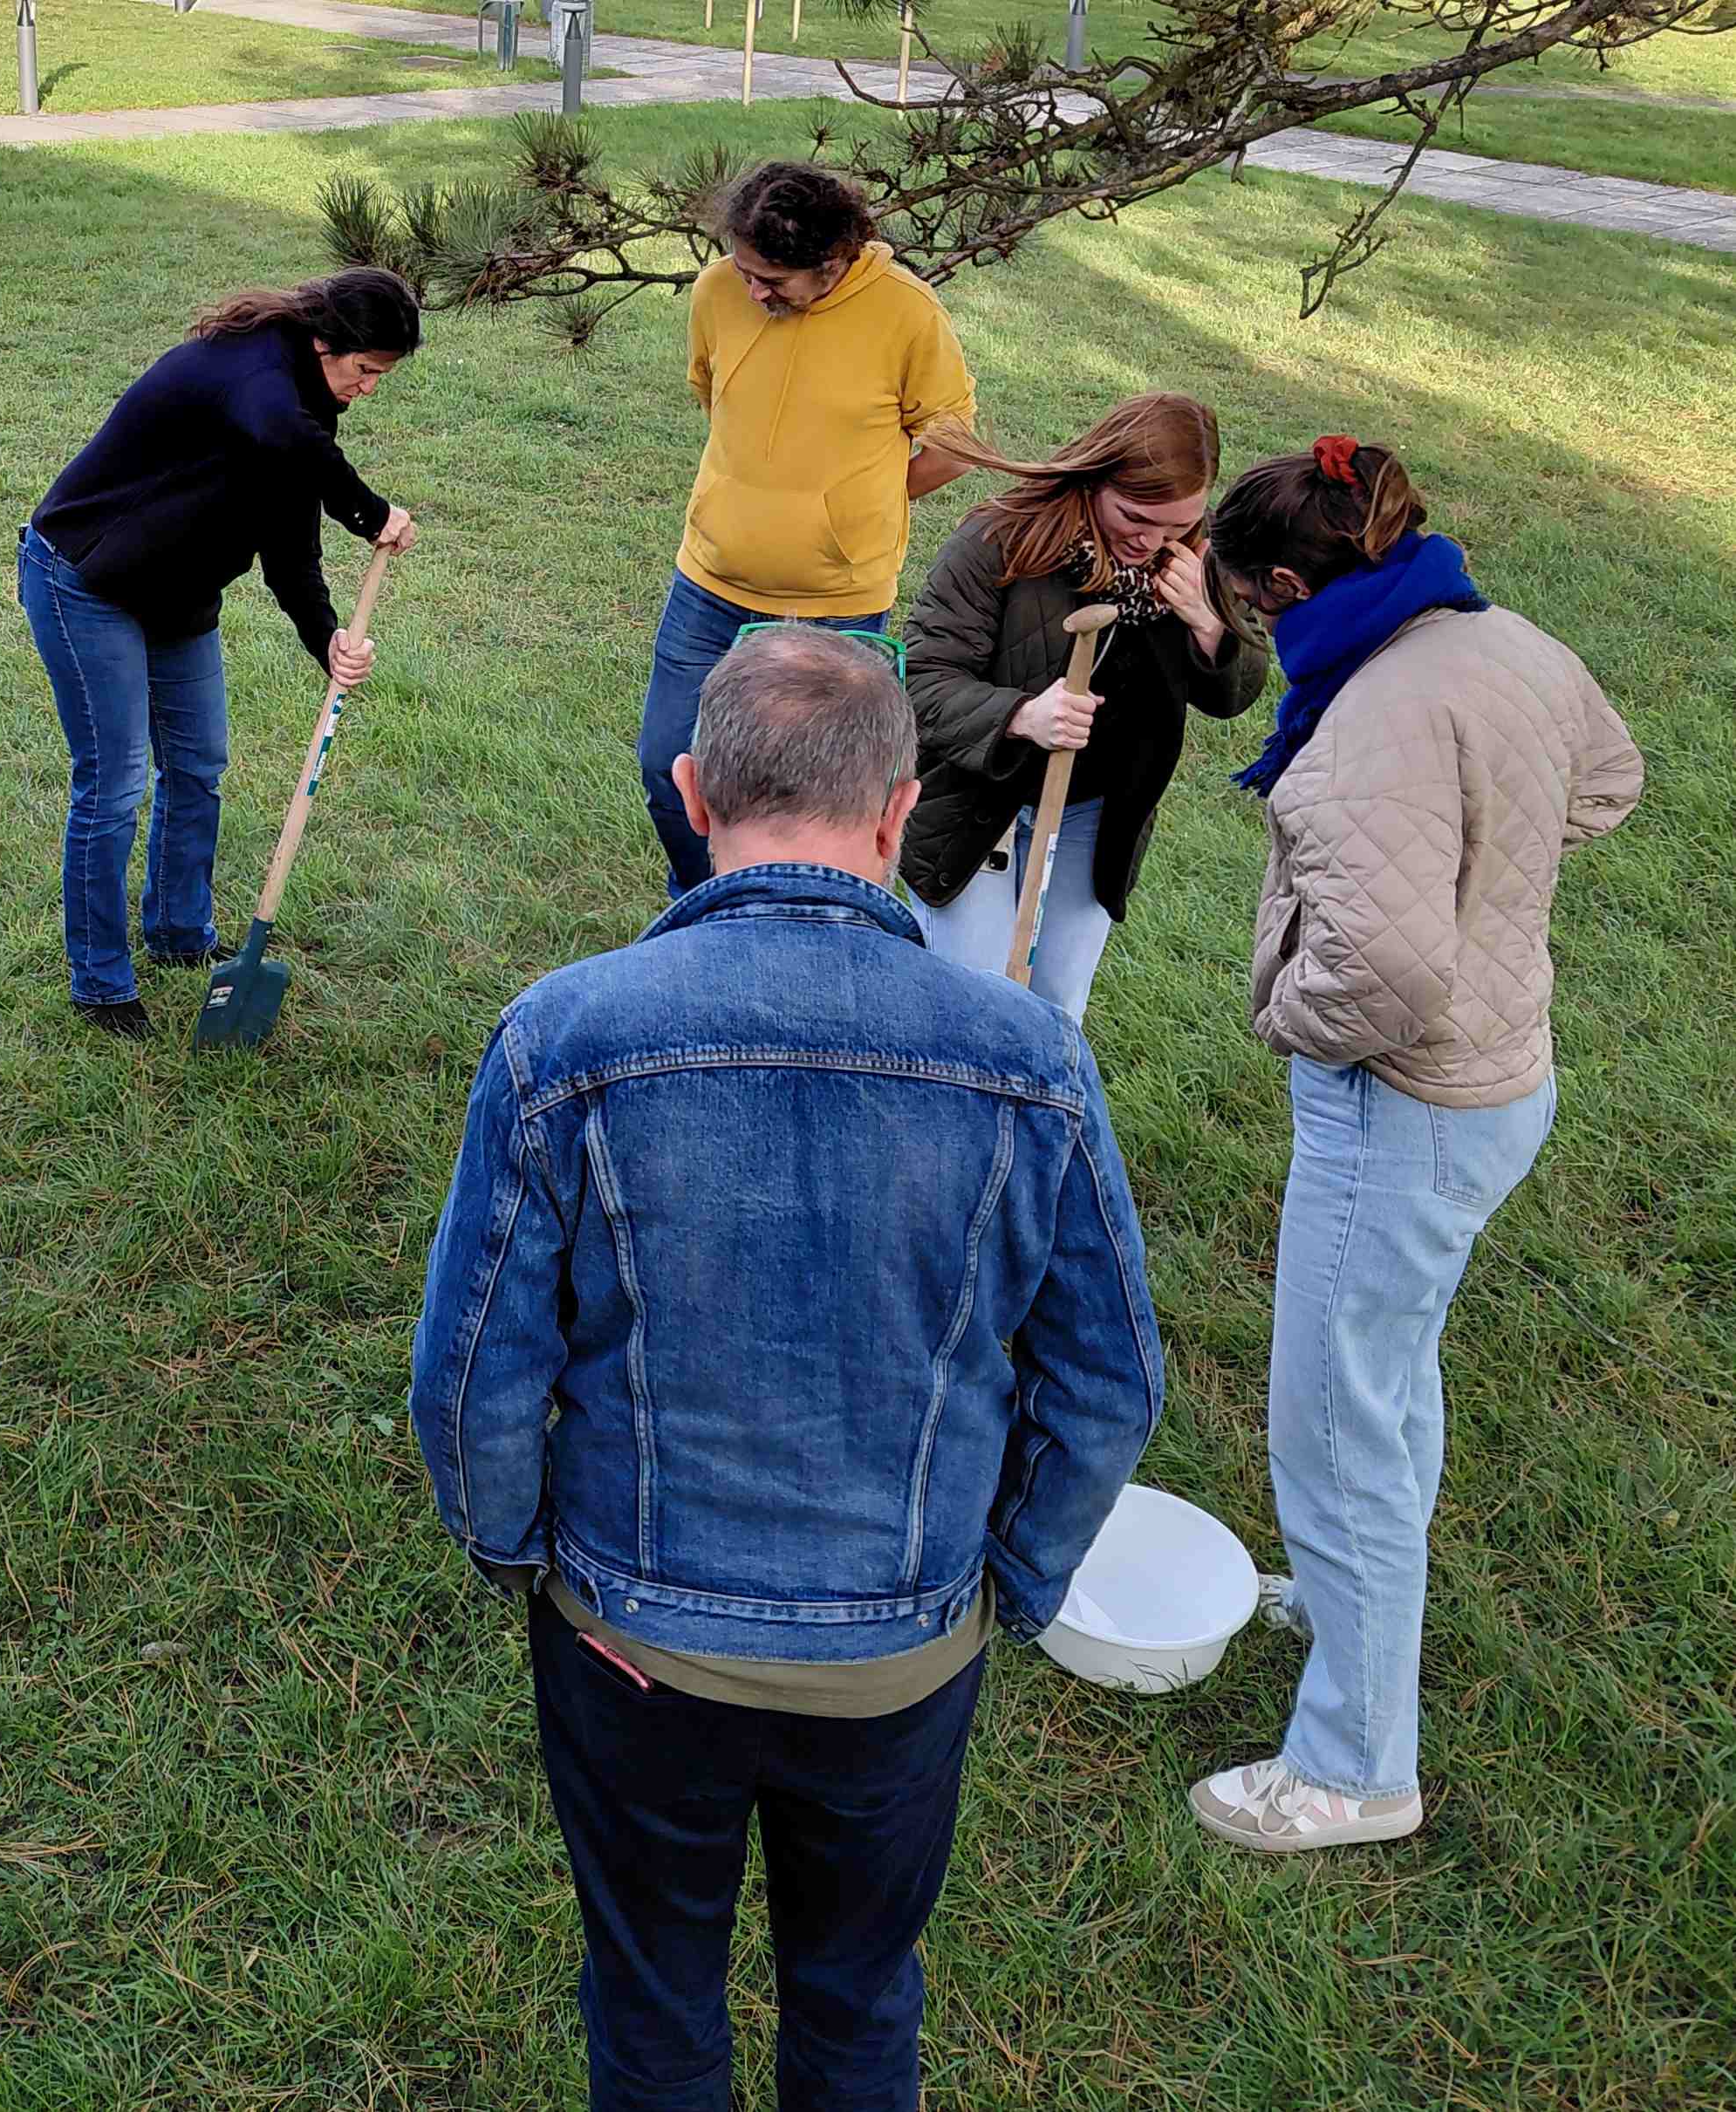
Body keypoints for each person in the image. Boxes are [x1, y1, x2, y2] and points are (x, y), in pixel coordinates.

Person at [408, 625, 1163, 2112]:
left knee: (651, 1991)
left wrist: (518, 1551)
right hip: (901, 1658)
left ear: (694, 793)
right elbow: (1105, 1387)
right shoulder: (1030, 1059)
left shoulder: (565, 1034)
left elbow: (472, 1372)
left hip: (631, 1638)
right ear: (897, 814)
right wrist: (1004, 1579)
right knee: (859, 1991)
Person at [1187, 438, 1642, 1853]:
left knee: (1333, 1421)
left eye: (1248, 609)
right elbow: (1608, 778)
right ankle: (1343, 1598)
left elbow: (1386, 979)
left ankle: (1352, 1770)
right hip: (1501, 1085)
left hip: (1406, 1104)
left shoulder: (1370, 721)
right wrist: (1489, 869)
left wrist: (1286, 1008)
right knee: (1386, 1375)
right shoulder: (1498, 636)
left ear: (1281, 584)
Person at [22, 267, 420, 1038]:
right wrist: (369, 513)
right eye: (366, 370)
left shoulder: (307, 404)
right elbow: (279, 436)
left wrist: (326, 638)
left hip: (178, 595)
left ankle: (178, 933)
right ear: (324, 341)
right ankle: (101, 982)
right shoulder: (254, 371)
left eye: (382, 377)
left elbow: (288, 545)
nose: (370, 388)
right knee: (114, 785)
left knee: (199, 765)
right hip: (86, 581)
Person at [637, 161, 977, 899]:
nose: (753, 290)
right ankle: (706, 905)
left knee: (822, 801)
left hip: (838, 602)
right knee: (670, 766)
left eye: (774, 281)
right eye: (744, 268)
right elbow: (715, 396)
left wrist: (863, 504)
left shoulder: (907, 313)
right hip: (710, 582)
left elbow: (954, 443)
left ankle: (798, 923)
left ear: (831, 265)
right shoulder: (718, 290)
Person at [900, 393, 1269, 1020]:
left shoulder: (1192, 563)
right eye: (1136, 517)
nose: (1153, 541)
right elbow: (922, 680)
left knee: (1058, 1008)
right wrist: (1020, 716)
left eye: (1178, 526)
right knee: (973, 1000)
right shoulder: (997, 539)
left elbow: (1232, 694)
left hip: (1096, 819)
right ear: (1098, 477)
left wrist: (1212, 628)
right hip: (974, 807)